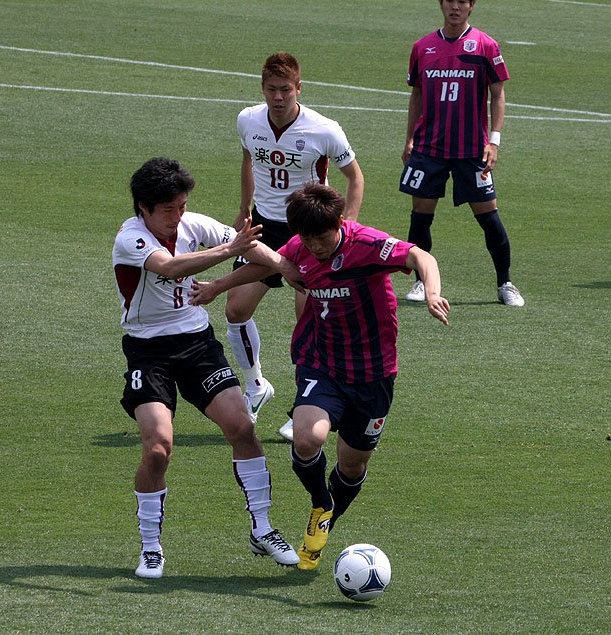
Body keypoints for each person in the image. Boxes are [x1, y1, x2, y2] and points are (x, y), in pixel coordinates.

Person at [190, 184, 450, 570]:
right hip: (321, 364)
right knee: (308, 438)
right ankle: (320, 503)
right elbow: (269, 265)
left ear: (340, 223)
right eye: (308, 239)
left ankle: (326, 520)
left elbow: (419, 255)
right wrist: (217, 286)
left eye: (322, 238)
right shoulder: (301, 246)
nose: (315, 247)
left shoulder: (367, 245)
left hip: (374, 373)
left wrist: (431, 293)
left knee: (352, 465)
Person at [111, 157, 300, 578]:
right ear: (143, 207)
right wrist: (230, 250)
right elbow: (171, 267)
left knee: (242, 427)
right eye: (168, 209)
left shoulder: (193, 224)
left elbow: (253, 249)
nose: (178, 216)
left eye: (182, 206)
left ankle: (263, 528)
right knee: (158, 447)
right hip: (148, 352)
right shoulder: (130, 238)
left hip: (197, 345)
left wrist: (284, 266)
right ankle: (151, 547)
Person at [227, 52, 365, 442]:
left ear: (299, 88)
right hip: (264, 229)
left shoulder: (324, 130)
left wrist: (347, 226)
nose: (278, 97)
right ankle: (256, 386)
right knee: (235, 309)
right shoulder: (247, 120)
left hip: (308, 232)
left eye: (285, 90)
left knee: (309, 321)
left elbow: (355, 178)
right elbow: (248, 160)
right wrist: (244, 208)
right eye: (271, 89)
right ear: (262, 88)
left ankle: (304, 407)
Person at [400, 0, 524, 307]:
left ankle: (505, 283)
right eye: (450, 0)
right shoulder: (423, 47)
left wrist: (494, 141)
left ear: (472, 5)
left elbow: (497, 94)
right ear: (441, 2)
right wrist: (409, 138)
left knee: (488, 216)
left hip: (472, 149)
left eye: (462, 1)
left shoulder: (485, 46)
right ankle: (422, 283)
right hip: (429, 148)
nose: (455, 7)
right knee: (420, 214)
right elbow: (416, 95)